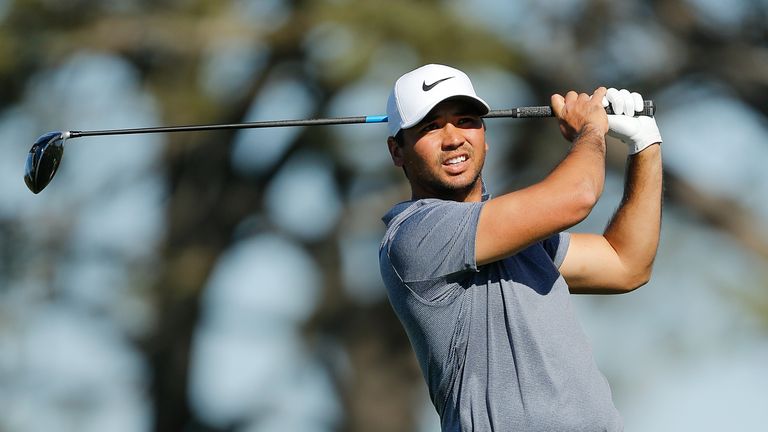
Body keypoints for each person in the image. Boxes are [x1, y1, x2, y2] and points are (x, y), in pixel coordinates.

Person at [378, 64, 662, 431]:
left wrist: (645, 145)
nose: (452, 138)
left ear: (485, 134)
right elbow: (578, 195)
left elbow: (627, 264)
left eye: (466, 121)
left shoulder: (520, 237)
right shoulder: (415, 234)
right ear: (396, 151)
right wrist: (592, 129)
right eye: (430, 127)